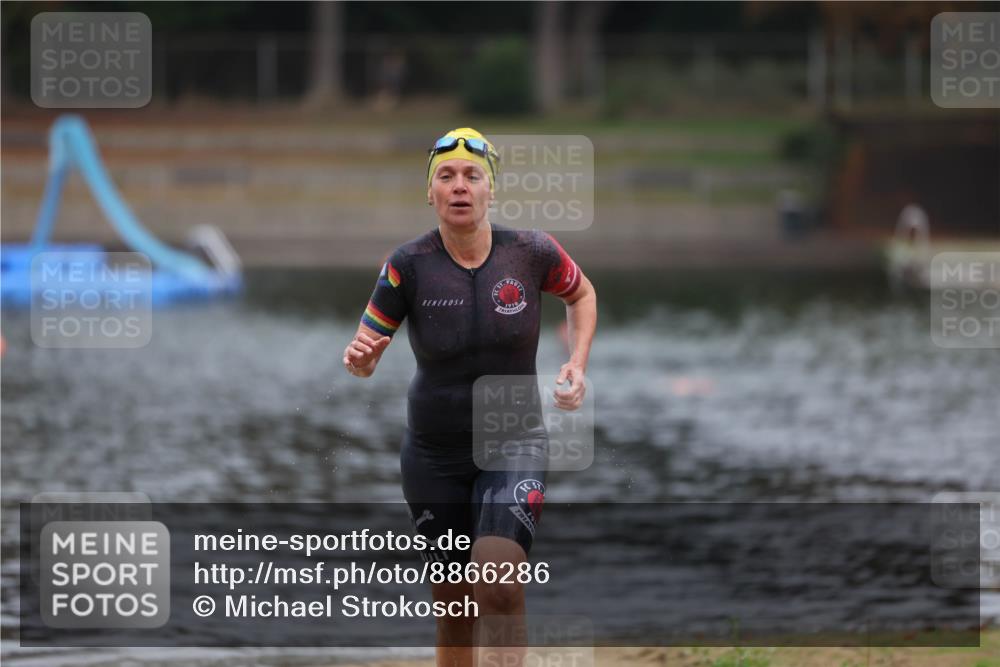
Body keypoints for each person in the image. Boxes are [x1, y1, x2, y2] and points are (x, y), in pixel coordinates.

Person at [343, 128, 597, 667]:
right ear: (429, 193)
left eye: (472, 176)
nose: (459, 186)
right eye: (446, 176)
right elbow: (367, 351)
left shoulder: (530, 252)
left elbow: (581, 293)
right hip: (433, 454)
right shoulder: (407, 266)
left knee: (498, 577)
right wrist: (362, 361)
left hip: (514, 440)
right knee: (456, 606)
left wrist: (575, 363)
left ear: (490, 190)